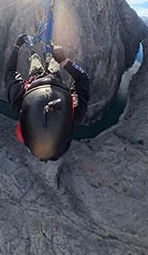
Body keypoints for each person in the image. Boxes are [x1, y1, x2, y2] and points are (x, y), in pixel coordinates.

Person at [5, 34, 90, 162]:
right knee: (35, 62)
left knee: (51, 64)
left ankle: (47, 57)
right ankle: (36, 55)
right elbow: (10, 72)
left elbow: (83, 78)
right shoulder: (19, 102)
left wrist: (63, 61)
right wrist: (17, 46)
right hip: (34, 80)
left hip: (54, 79)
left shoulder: (74, 116)